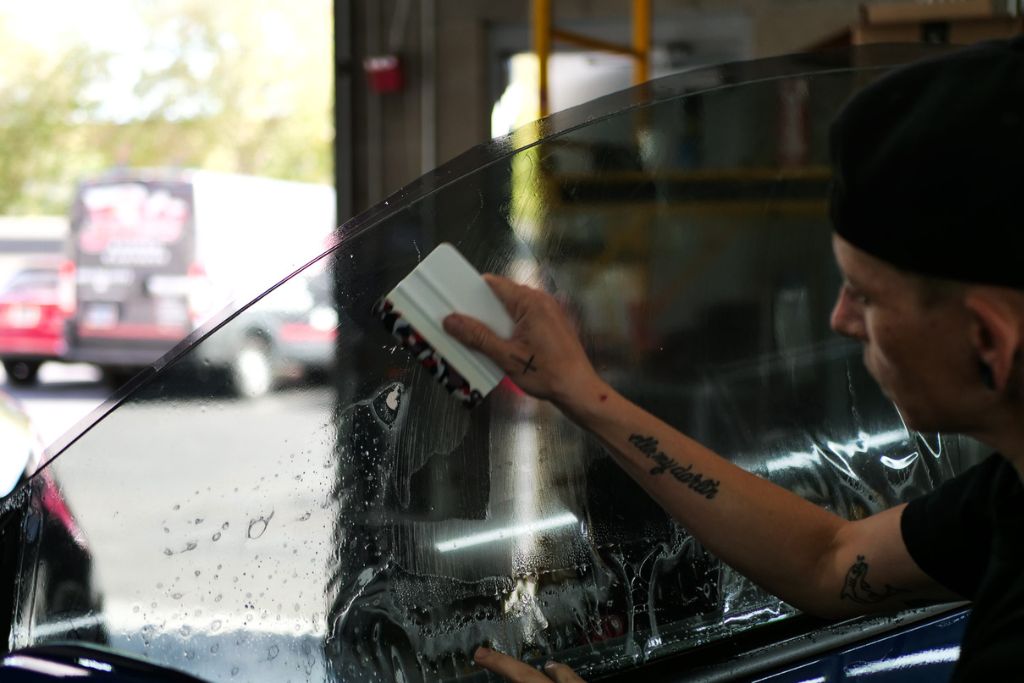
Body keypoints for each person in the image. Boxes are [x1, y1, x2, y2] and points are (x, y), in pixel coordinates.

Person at [441, 35, 1024, 682]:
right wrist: (583, 392)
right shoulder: (1008, 494)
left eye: (864, 295)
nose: (840, 319)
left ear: (988, 341)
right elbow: (831, 560)